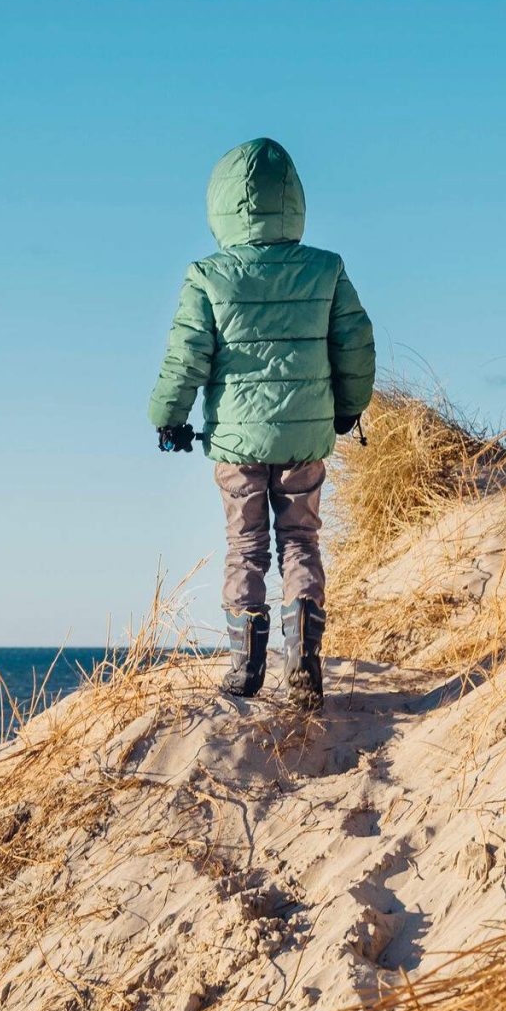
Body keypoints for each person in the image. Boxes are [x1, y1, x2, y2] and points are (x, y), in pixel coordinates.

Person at [148, 138, 375, 708]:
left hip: (237, 442)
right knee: (300, 539)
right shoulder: (326, 270)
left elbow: (186, 357)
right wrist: (348, 408)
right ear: (294, 200)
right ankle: (304, 656)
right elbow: (356, 344)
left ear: (220, 206)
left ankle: (245, 665)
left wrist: (168, 418)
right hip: (306, 437)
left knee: (245, 545)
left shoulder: (208, 276)